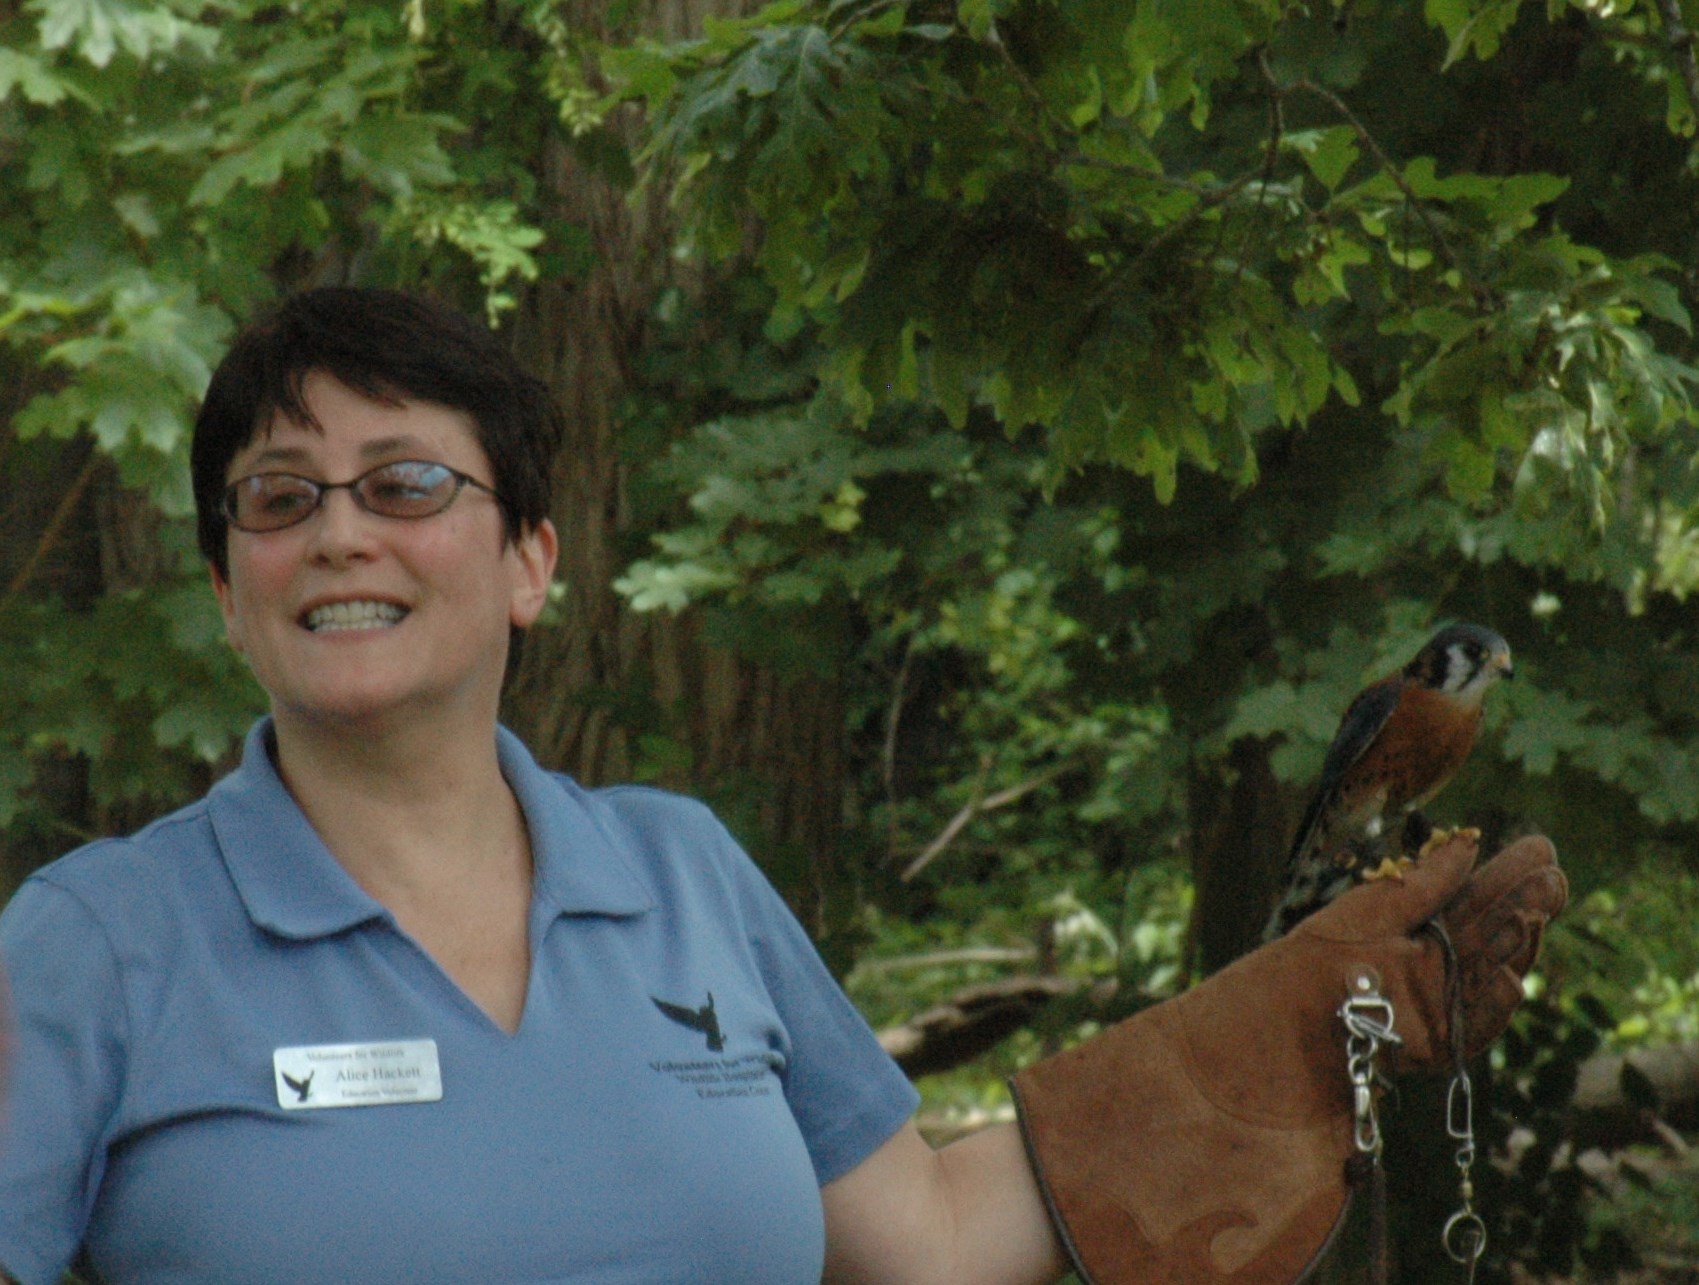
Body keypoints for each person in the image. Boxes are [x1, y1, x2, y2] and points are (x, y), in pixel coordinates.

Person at [0, 287, 1567, 1285]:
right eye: (280, 498)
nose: (340, 531)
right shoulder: (97, 939)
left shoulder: (683, 873)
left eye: (406, 481)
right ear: (225, 585)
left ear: (533, 559)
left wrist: (1295, 1020)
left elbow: (931, 1240)